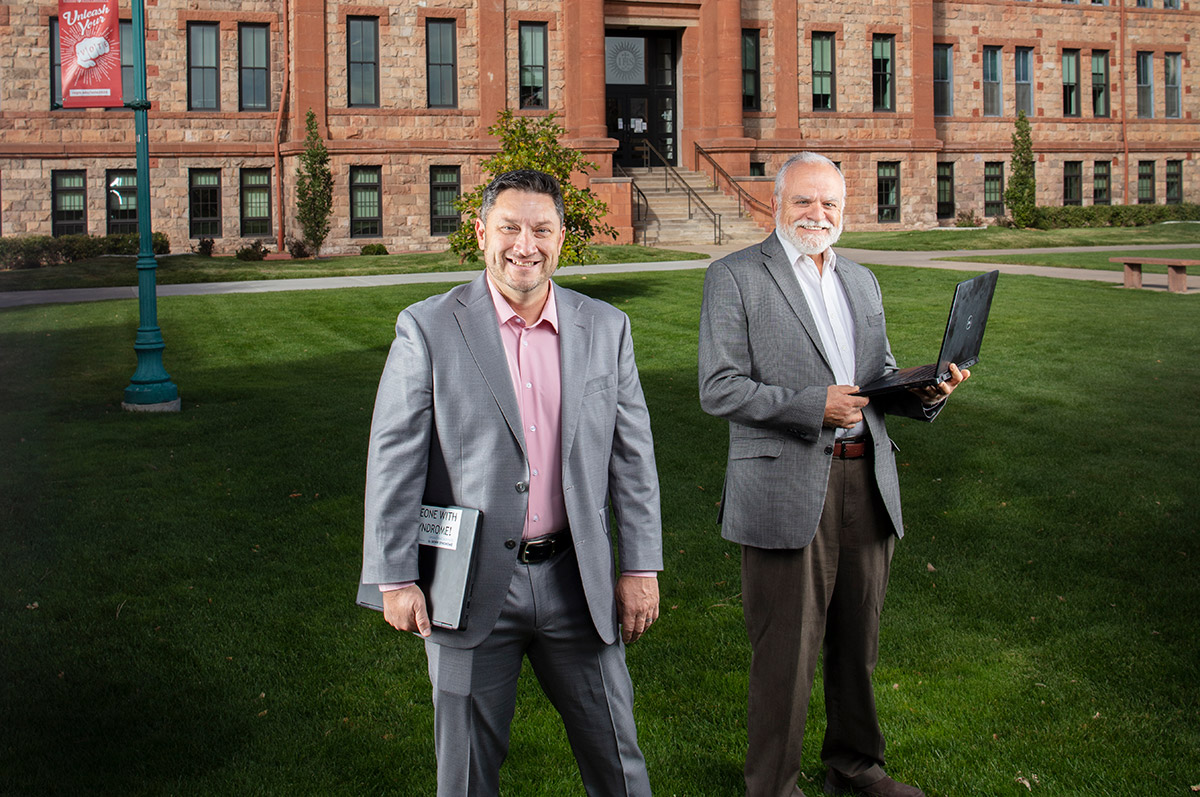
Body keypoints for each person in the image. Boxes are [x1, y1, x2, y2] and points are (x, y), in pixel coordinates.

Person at [361, 169, 662, 797]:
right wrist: (394, 577)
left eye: (542, 229)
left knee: (618, 759)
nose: (525, 245)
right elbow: (394, 461)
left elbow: (633, 461)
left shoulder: (606, 328)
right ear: (480, 233)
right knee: (467, 772)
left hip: (578, 580)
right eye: (510, 228)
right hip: (467, 586)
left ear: (562, 238)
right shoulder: (428, 328)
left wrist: (640, 568)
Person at [697, 152, 970, 797]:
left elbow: (877, 374)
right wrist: (809, 405)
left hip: (867, 481)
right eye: (804, 202)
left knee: (858, 643)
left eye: (830, 205)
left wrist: (926, 390)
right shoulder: (735, 276)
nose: (817, 215)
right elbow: (718, 387)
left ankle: (856, 769)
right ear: (776, 203)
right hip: (786, 487)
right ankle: (773, 787)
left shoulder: (862, 281)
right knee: (785, 656)